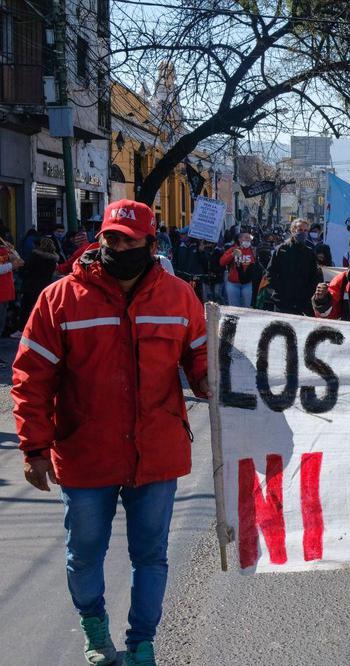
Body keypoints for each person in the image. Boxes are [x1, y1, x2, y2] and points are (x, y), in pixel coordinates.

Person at [11, 199, 209, 665]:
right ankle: (94, 629)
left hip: (157, 452)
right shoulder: (59, 298)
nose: (119, 246)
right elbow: (31, 376)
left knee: (152, 556)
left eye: (129, 239)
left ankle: (142, 642)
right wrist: (34, 448)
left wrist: (215, 385)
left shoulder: (180, 297)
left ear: (150, 244)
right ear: (99, 240)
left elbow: (203, 362)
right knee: (83, 554)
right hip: (84, 453)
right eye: (111, 238)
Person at [266, 218, 323, 315]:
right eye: (300, 230)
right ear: (293, 230)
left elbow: (315, 277)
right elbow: (270, 273)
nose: (303, 233)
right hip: (282, 302)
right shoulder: (281, 250)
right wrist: (280, 291)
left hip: (302, 303)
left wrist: (307, 294)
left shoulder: (309, 253)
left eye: (305, 230)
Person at [16, 236, 60, 333]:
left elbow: (24, 271)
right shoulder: (53, 260)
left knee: (25, 309)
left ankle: (22, 330)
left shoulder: (34, 257)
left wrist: (20, 270)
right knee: (42, 310)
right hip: (45, 287)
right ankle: (43, 329)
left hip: (30, 286)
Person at [219, 232, 256, 307]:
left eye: (249, 238)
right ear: (239, 239)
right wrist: (232, 254)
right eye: (246, 237)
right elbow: (222, 262)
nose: (248, 239)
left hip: (247, 284)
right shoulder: (233, 249)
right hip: (233, 284)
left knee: (246, 308)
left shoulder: (253, 251)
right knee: (234, 309)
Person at [0, 237, 24, 344]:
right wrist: (12, 265)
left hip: (5, 291)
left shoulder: (4, 248)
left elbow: (19, 261)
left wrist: (13, 251)